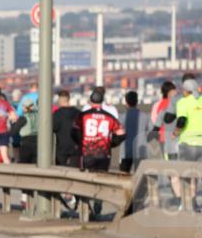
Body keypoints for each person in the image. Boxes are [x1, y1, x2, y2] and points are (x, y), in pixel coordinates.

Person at [73, 87, 125, 220]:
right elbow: (121, 133)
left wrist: (81, 142)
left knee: (86, 181)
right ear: (102, 102)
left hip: (87, 152)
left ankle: (87, 208)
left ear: (90, 101)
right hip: (104, 154)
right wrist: (112, 143)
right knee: (101, 181)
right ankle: (98, 203)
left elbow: (73, 131)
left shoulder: (83, 116)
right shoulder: (110, 117)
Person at [151, 81, 183, 205]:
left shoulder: (160, 108)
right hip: (184, 144)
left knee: (173, 173)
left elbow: (155, 126)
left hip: (166, 143)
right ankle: (185, 198)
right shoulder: (184, 107)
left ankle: (179, 197)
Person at [173, 77, 202, 210]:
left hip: (187, 143)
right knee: (196, 176)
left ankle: (185, 204)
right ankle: (195, 203)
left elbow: (182, 120)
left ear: (186, 90)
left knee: (184, 174)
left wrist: (176, 132)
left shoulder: (182, 102)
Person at [119, 91, 150, 174]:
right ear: (137, 101)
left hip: (125, 152)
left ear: (126, 102)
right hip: (140, 152)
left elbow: (118, 133)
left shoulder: (122, 117)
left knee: (123, 176)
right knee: (140, 177)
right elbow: (150, 132)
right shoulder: (145, 116)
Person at [52, 90, 80, 167]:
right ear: (69, 99)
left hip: (61, 146)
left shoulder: (57, 114)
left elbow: (53, 128)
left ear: (59, 100)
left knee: (60, 171)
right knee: (75, 172)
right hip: (75, 146)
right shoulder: (78, 112)